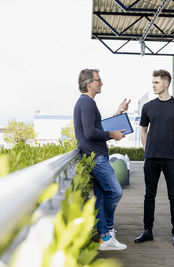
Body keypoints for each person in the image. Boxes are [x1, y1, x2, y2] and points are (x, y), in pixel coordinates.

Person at [73, 69, 130, 251]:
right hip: (96, 157)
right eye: (98, 80)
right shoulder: (87, 103)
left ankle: (105, 238)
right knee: (115, 192)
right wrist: (112, 134)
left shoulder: (85, 103)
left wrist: (117, 113)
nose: (101, 83)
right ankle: (108, 230)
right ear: (89, 83)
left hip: (94, 156)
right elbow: (90, 133)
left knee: (101, 196)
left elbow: (96, 127)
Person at [135, 69, 174, 247]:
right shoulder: (148, 107)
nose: (153, 85)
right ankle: (147, 231)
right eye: (153, 82)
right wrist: (146, 150)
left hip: (171, 159)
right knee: (149, 195)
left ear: (166, 83)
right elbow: (143, 129)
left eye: (156, 82)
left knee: (173, 195)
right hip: (151, 158)